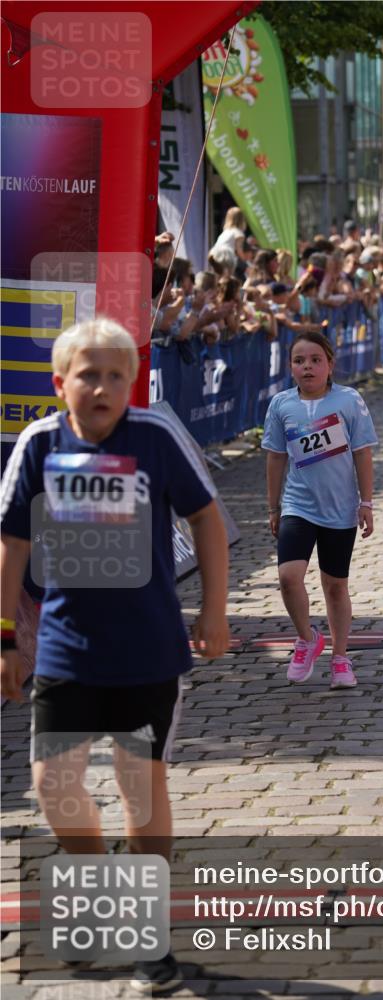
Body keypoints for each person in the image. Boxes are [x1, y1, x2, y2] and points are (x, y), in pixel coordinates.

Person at [0, 318, 229, 993]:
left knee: (140, 789)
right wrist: (5, 637)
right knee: (55, 786)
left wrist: (212, 611)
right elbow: (10, 546)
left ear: (132, 383)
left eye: (116, 376)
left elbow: (208, 520)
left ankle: (145, 934)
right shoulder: (39, 445)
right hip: (64, 651)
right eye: (88, 375)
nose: (101, 388)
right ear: (59, 383)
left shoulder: (155, 439)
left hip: (149, 651)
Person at [262, 331, 377, 689]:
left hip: (340, 508)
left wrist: (366, 502)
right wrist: (273, 506)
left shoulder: (348, 400)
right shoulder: (281, 404)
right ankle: (307, 639)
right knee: (288, 577)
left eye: (315, 360)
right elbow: (275, 456)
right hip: (298, 505)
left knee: (335, 587)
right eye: (299, 361)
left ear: (330, 365)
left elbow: (362, 452)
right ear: (290, 367)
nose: (307, 367)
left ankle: (340, 659)